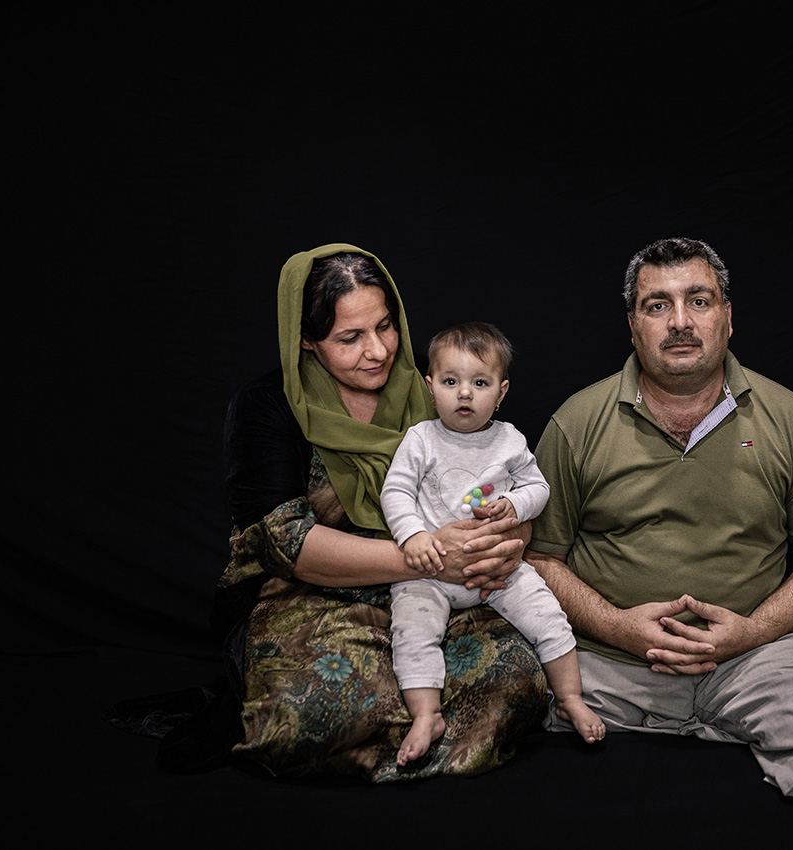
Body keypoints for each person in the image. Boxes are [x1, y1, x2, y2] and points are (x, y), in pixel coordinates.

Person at [525, 237, 793, 828]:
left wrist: (752, 632)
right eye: (657, 305)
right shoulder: (575, 423)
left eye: (698, 301)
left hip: (758, 660)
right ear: (632, 326)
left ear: (728, 318)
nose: (680, 322)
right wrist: (615, 627)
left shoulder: (792, 420)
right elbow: (539, 559)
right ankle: (711, 729)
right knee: (464, 718)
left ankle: (728, 718)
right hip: (599, 668)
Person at [215, 243, 550, 782]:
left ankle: (420, 728)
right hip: (312, 593)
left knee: (521, 678)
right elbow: (290, 546)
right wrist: (429, 558)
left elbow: (507, 481)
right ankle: (424, 736)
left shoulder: (436, 385)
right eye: (349, 338)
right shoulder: (267, 407)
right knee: (312, 710)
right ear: (306, 339)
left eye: (386, 327)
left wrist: (507, 536)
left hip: (439, 588)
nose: (378, 351)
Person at [381, 322, 605, 765]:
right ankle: (427, 714)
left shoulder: (509, 440)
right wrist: (414, 536)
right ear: (430, 387)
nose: (464, 394)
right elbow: (396, 492)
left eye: (479, 383)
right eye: (451, 382)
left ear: (501, 392)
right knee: (411, 631)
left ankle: (570, 697)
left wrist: (513, 505)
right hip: (431, 570)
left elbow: (538, 489)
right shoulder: (421, 439)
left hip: (498, 571)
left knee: (548, 615)